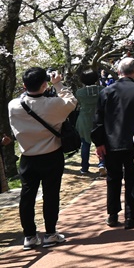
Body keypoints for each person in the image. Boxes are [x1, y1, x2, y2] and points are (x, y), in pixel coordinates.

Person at [8, 67, 78, 250]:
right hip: (51, 155)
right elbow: (71, 101)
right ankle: (50, 233)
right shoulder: (54, 104)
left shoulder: (13, 106)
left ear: (24, 85)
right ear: (45, 84)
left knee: (27, 196)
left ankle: (29, 236)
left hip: (27, 158)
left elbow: (26, 100)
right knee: (51, 195)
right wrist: (58, 84)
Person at [93, 57, 134, 229]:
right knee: (132, 178)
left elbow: (98, 119)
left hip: (111, 142)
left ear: (119, 71)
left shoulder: (107, 91)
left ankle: (112, 215)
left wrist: (99, 142)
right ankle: (130, 217)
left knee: (113, 178)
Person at [73, 68, 102, 175]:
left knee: (85, 144)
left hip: (84, 119)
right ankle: (102, 164)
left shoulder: (79, 92)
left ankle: (84, 167)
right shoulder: (102, 89)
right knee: (101, 142)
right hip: (99, 119)